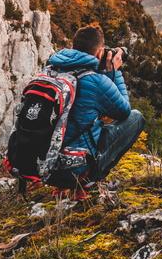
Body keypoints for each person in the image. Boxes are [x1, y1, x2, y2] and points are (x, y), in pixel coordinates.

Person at [46, 24, 145, 198]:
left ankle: (60, 187)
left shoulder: (50, 70)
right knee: (136, 118)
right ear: (99, 52)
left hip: (45, 164)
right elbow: (124, 112)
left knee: (79, 125)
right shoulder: (94, 80)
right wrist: (114, 72)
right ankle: (87, 180)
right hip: (74, 168)